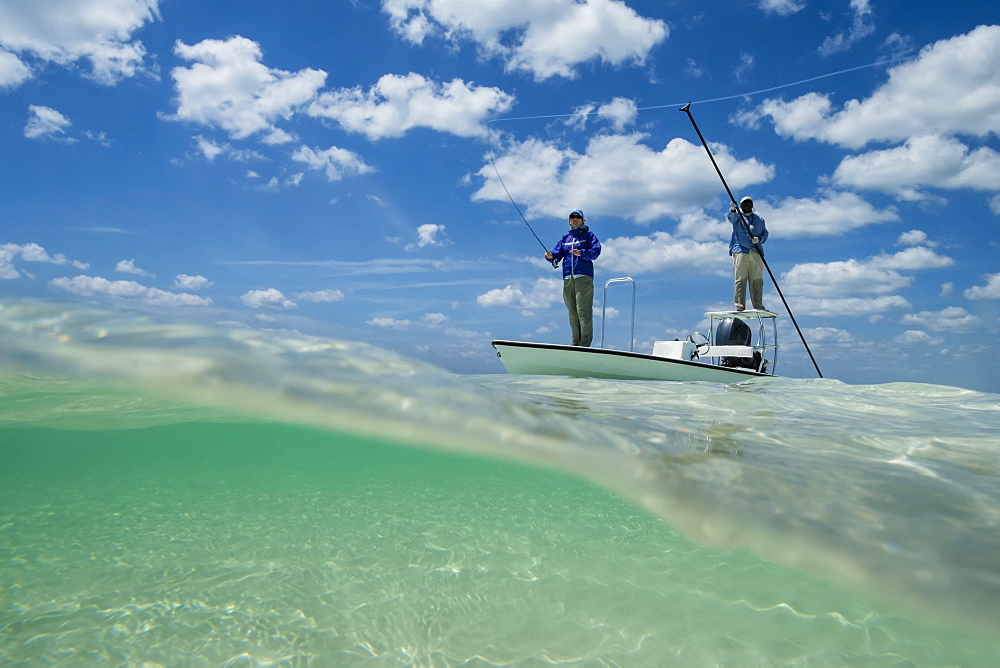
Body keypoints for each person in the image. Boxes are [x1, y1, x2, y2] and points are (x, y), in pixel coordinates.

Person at [545, 209, 602, 346]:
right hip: (568, 279)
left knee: (583, 311)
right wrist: (551, 257)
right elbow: (556, 255)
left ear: (583, 220)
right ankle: (575, 343)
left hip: (583, 277)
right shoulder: (565, 238)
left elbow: (595, 252)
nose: (575, 219)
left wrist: (581, 253)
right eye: (572, 217)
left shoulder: (588, 235)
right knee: (572, 312)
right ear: (569, 221)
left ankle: (585, 344)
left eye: (578, 217)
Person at [728, 196, 768, 311]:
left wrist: (759, 239)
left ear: (752, 205)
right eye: (744, 204)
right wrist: (733, 209)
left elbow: (765, 233)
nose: (747, 206)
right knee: (740, 278)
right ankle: (739, 305)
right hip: (741, 250)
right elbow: (731, 218)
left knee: (757, 279)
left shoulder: (759, 219)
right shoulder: (738, 217)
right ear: (741, 206)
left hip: (756, 251)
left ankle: (758, 304)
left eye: (749, 203)